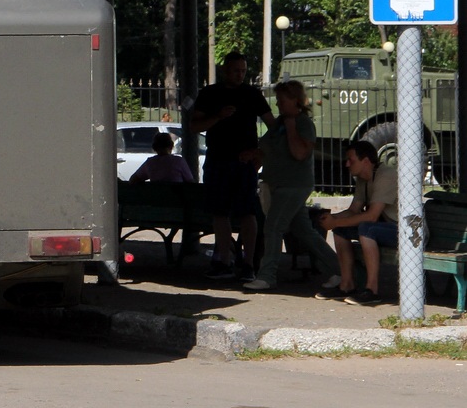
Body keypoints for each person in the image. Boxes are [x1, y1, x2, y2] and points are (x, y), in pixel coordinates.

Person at [242, 80, 341, 292]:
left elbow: (299, 153)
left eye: (281, 100)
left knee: (273, 226)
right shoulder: (279, 123)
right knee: (304, 232)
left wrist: (291, 128)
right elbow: (266, 146)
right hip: (277, 183)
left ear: (295, 100)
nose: (278, 104)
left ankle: (267, 276)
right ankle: (341, 270)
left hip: (293, 185)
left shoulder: (303, 123)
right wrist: (253, 154)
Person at [190, 50, 269, 282]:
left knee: (247, 212)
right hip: (218, 160)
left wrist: (259, 152)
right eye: (236, 71)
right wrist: (218, 117)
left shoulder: (252, 94)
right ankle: (223, 260)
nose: (240, 75)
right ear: (225, 70)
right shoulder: (210, 93)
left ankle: (248, 263)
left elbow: (272, 125)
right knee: (219, 212)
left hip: (244, 163)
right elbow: (194, 126)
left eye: (243, 71)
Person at [316, 140, 400, 305]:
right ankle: (346, 285)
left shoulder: (386, 175)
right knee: (341, 231)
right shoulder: (364, 178)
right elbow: (354, 210)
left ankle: (372, 290)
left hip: (404, 231)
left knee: (366, 229)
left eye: (351, 160)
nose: (347, 164)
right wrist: (333, 219)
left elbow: (372, 216)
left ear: (366, 161)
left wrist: (336, 222)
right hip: (382, 227)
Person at [130, 131, 195, 183]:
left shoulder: (150, 162)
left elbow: (134, 179)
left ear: (154, 147)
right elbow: (190, 182)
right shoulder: (179, 161)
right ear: (171, 146)